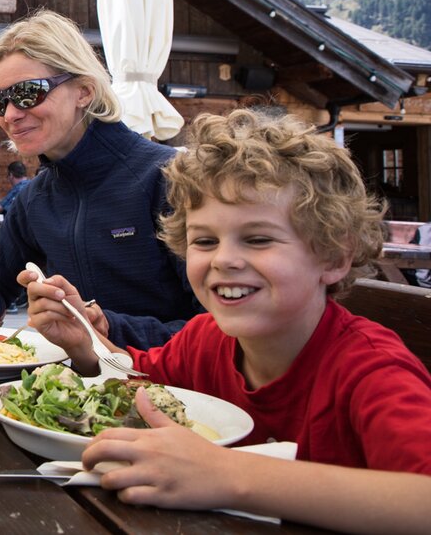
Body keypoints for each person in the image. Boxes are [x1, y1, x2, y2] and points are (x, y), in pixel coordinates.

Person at [26, 110, 431, 532]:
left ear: (333, 256)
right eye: (204, 240)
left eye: (258, 239)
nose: (224, 260)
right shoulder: (206, 338)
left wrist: (229, 475)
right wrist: (84, 342)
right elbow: (142, 386)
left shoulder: (371, 370)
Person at [0, 9, 199, 349]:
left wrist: (109, 326)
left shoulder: (168, 180)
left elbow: (220, 331)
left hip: (175, 390)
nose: (10, 114)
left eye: (27, 93)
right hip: (68, 392)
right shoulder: (34, 199)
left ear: (84, 91)